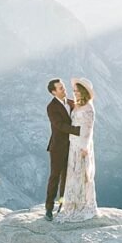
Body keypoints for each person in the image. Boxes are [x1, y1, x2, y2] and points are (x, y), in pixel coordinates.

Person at [56, 77, 98, 222]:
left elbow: (88, 129)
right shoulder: (78, 105)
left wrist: (85, 147)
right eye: (74, 91)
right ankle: (72, 203)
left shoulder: (88, 108)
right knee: (73, 174)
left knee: (82, 175)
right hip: (73, 144)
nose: (75, 93)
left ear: (84, 92)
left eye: (78, 91)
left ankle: (84, 204)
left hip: (81, 146)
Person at [45, 78, 79, 221]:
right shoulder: (51, 107)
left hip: (72, 146)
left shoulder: (71, 102)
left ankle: (62, 205)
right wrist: (78, 131)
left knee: (66, 178)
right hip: (58, 148)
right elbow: (59, 125)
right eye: (60, 88)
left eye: (63, 87)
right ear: (53, 92)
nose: (64, 89)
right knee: (55, 177)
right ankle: (48, 208)